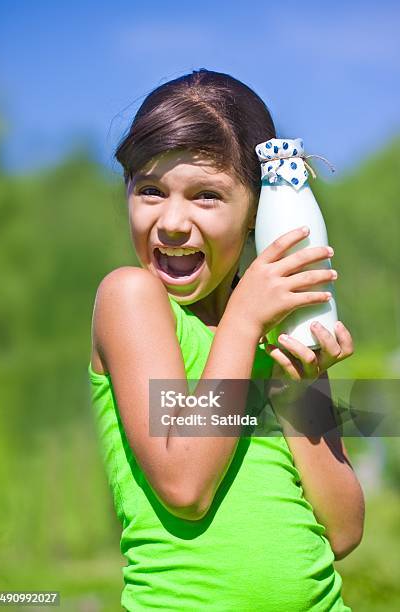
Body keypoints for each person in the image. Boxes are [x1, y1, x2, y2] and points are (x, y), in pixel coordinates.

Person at [88, 69, 365, 611]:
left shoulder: (273, 330)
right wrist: (243, 323)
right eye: (149, 190)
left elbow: (344, 530)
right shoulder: (131, 298)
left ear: (257, 211)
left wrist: (295, 387)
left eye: (206, 196)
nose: (171, 221)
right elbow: (185, 486)